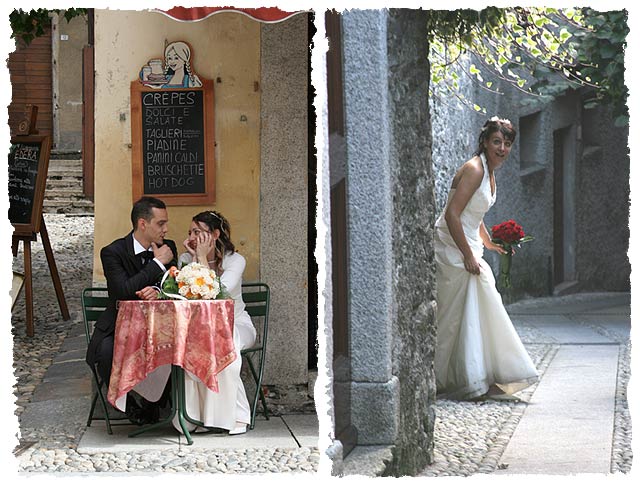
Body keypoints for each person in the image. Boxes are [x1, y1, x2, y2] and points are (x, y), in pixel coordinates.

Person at [434, 117, 538, 401]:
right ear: (484, 142)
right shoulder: (475, 169)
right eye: (497, 142)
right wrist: (468, 255)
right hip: (451, 244)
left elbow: (473, 213)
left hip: (468, 241)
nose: (502, 148)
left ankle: (484, 373)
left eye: (507, 143)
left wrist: (489, 242)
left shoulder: (490, 171)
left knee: (473, 305)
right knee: (461, 309)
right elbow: (452, 215)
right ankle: (467, 376)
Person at [85, 196, 178, 423]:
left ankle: (154, 404)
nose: (166, 229)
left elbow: (176, 284)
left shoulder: (169, 247)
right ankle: (130, 408)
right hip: (117, 326)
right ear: (142, 224)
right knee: (106, 352)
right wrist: (156, 264)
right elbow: (122, 291)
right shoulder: (112, 252)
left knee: (175, 349)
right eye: (161, 223)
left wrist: (158, 291)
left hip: (158, 327)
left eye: (166, 223)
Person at [175, 210, 256, 435]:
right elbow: (187, 296)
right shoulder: (184, 259)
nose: (192, 237)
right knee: (193, 346)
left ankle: (238, 416)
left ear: (215, 234)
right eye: (190, 232)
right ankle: (198, 418)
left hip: (236, 323)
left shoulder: (235, 260)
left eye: (198, 232)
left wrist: (201, 260)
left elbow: (218, 293)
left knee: (225, 341)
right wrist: (193, 259)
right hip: (200, 328)